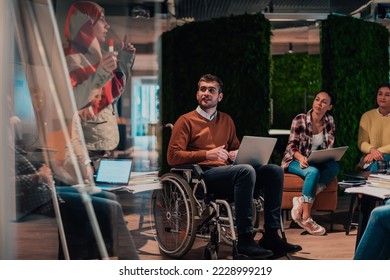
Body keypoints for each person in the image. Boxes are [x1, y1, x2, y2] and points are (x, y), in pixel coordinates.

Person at [167, 74, 302, 259]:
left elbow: (235, 147)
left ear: (219, 97)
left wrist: (236, 154)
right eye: (202, 89)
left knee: (274, 171)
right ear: (197, 94)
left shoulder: (226, 120)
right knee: (245, 171)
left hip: (231, 172)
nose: (206, 93)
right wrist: (206, 154)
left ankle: (271, 235)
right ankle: (245, 240)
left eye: (211, 90)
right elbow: (172, 157)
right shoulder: (186, 121)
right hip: (203, 176)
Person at [14, 144, 139, 260]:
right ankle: (130, 261)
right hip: (36, 198)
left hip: (45, 189)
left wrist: (42, 159)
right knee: (112, 206)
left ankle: (101, 254)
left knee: (110, 196)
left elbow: (23, 156)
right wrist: (38, 176)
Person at [64, 1, 136, 163]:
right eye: (101, 19)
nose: (107, 26)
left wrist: (124, 61)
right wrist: (102, 71)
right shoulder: (73, 59)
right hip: (87, 149)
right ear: (87, 24)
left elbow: (109, 98)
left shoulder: (98, 57)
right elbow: (74, 101)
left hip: (101, 146)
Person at [281, 90, 340, 236]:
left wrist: (324, 157)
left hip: (315, 160)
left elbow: (328, 148)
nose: (319, 104)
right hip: (294, 160)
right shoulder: (300, 119)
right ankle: (306, 218)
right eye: (317, 100)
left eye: (324, 102)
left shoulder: (330, 121)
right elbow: (292, 145)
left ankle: (301, 200)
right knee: (313, 172)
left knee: (335, 166)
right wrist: (301, 158)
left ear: (329, 107)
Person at [357, 83, 390, 172]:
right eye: (380, 94)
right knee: (377, 166)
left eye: (387, 95)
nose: (383, 97)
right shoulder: (367, 116)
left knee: (379, 164)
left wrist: (376, 151)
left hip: (383, 157)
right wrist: (371, 150)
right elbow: (362, 142)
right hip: (370, 160)